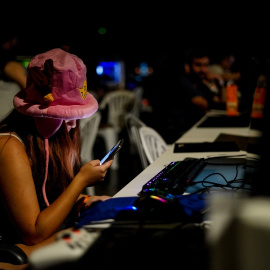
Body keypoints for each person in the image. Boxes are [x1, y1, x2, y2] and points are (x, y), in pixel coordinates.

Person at [0, 48, 113, 258]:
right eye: (64, 115)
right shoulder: (9, 146)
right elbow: (33, 233)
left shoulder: (55, 138)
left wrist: (85, 202)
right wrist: (80, 181)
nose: (71, 124)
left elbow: (51, 196)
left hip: (48, 239)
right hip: (18, 252)